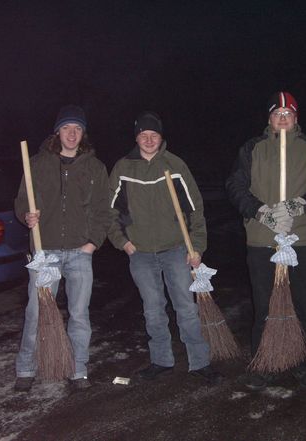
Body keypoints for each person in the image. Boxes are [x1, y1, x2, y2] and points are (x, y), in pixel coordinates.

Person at [225, 91, 306, 391]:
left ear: (296, 118)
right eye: (278, 113)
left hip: (302, 238)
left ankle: (303, 362)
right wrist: (258, 211)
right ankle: (265, 363)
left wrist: (303, 203)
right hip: (263, 239)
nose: (283, 118)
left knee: (300, 303)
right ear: (269, 119)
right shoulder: (252, 148)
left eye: (289, 113)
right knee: (264, 305)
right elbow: (235, 185)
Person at [107, 111, 222, 385]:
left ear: (161, 138)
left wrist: (196, 246)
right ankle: (161, 360)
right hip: (141, 253)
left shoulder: (174, 165)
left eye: (154, 135)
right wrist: (122, 242)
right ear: (137, 138)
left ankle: (200, 362)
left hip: (175, 250)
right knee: (153, 309)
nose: (148, 140)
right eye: (144, 135)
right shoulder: (123, 168)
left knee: (186, 307)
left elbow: (196, 209)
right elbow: (108, 212)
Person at [14, 105, 111, 392]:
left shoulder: (95, 168)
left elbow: (103, 210)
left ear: (83, 134)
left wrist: (92, 243)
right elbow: (22, 201)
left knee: (80, 314)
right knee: (36, 311)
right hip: (46, 252)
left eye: (78, 129)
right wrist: (26, 216)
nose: (72, 133)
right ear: (58, 131)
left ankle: (78, 369)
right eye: (67, 128)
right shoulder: (37, 163)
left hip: (81, 252)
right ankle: (26, 368)